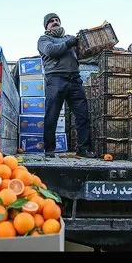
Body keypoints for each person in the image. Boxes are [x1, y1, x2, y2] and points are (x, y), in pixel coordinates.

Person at [37, 13, 96, 158]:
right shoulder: (44, 39)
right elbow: (51, 51)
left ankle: (83, 149)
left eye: (57, 20)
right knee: (52, 115)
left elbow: (85, 54)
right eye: (51, 21)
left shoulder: (69, 38)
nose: (55, 22)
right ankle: (49, 149)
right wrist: (70, 43)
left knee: (82, 115)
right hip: (56, 79)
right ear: (46, 25)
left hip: (75, 80)